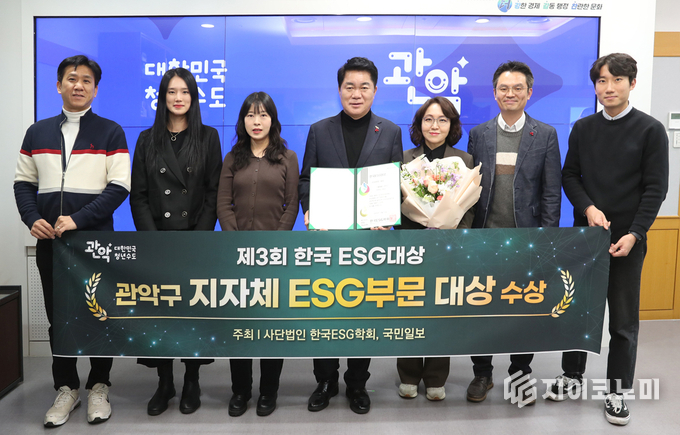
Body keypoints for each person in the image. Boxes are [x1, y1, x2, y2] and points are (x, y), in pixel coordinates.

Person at [547, 53, 668, 426]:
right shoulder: (583, 128)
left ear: (632, 84)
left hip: (627, 241)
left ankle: (617, 391)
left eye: (617, 80)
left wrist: (635, 233)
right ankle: (572, 376)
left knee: (623, 321)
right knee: (577, 311)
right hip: (586, 236)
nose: (609, 87)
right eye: (602, 80)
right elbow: (570, 176)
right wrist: (588, 209)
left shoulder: (650, 130)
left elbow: (655, 188)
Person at [14, 55, 131, 427]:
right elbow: (23, 183)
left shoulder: (111, 132)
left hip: (96, 242)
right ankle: (66, 388)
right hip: (53, 243)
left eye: (86, 80)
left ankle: (99, 386)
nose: (78, 85)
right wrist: (32, 218)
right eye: (71, 78)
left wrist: (79, 218)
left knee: (99, 315)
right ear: (59, 85)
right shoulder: (37, 132)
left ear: (95, 89)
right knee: (59, 318)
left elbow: (119, 186)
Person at [298, 57, 403, 414]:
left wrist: (389, 217)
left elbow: (396, 180)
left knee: (364, 312)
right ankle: (325, 381)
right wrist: (309, 209)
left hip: (371, 241)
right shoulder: (319, 130)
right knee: (324, 311)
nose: (356, 94)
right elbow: (306, 179)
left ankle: (357, 383)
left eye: (364, 87)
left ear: (375, 90)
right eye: (349, 87)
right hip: (329, 238)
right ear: (339, 89)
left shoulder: (390, 131)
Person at [466, 60, 561, 406]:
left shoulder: (545, 134)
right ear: (495, 93)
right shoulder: (479, 134)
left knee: (524, 310)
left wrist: (546, 239)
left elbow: (551, 192)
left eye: (518, 88)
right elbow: (469, 189)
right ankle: (482, 373)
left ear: (529, 92)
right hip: (484, 237)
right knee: (481, 308)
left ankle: (520, 373)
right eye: (504, 88)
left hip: (526, 239)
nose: (510, 93)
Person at [130, 67, 222, 416]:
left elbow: (213, 193)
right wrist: (153, 241)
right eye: (171, 92)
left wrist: (199, 238)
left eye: (184, 91)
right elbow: (138, 195)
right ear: (162, 97)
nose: (178, 98)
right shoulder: (146, 139)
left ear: (193, 97)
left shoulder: (208, 137)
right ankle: (165, 382)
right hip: (158, 240)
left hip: (195, 240)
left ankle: (192, 380)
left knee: (192, 314)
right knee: (161, 313)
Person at [217, 91, 299, 417]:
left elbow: (292, 204)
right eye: (250, 115)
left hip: (274, 257)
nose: (256, 121)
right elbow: (224, 203)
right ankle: (240, 391)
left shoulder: (287, 158)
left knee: (270, 327)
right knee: (240, 327)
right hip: (237, 257)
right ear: (243, 121)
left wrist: (274, 245)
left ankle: (269, 391)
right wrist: (236, 243)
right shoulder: (232, 158)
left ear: (272, 120)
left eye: (263, 115)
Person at [397, 96, 474, 401]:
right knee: (410, 309)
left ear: (451, 125)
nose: (435, 125)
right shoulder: (404, 159)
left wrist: (453, 230)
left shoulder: (464, 161)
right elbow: (395, 203)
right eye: (428, 119)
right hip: (411, 245)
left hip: (448, 246)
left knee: (442, 310)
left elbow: (470, 206)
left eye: (442, 120)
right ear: (419, 125)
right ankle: (408, 374)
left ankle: (435, 377)